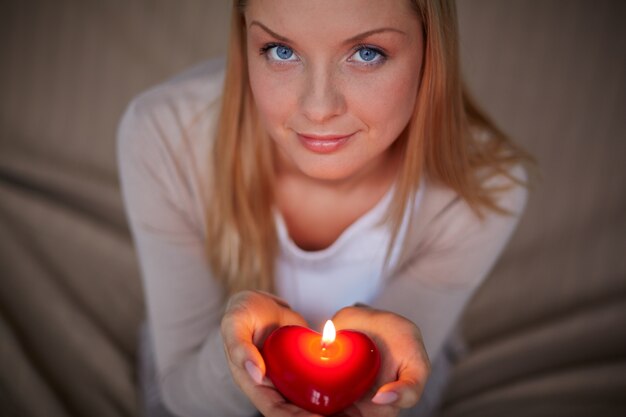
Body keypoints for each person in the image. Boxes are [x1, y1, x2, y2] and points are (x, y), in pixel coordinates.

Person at [118, 0, 529, 416]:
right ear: (245, 37)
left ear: (430, 49)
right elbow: (181, 395)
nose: (317, 108)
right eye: (281, 51)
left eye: (367, 54)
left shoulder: (480, 189)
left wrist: (382, 370)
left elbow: (391, 395)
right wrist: (242, 359)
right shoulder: (165, 140)